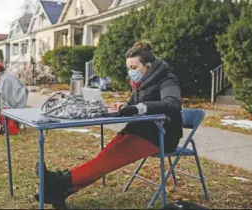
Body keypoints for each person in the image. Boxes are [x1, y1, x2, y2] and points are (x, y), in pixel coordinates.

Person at [34, 40, 183, 208]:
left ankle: (59, 182)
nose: (130, 72)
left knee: (107, 160)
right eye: (128, 68)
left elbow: (172, 105)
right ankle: (60, 190)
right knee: (103, 159)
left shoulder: (167, 78)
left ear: (148, 65)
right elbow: (133, 104)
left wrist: (139, 108)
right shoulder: (142, 82)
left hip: (161, 134)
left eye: (134, 68)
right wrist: (125, 105)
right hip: (141, 129)